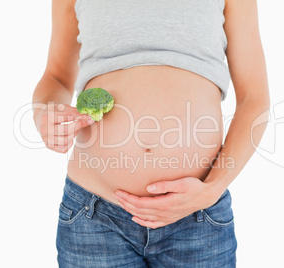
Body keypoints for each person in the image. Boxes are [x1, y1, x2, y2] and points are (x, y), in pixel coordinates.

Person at [32, 0, 270, 267]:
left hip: (198, 216)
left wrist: (212, 189)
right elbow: (57, 77)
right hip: (95, 217)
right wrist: (44, 113)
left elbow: (254, 99)